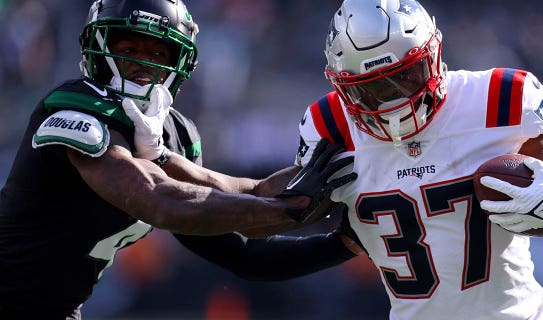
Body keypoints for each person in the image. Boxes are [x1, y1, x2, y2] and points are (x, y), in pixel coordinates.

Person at [0, 0, 361, 319]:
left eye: (158, 54)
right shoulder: (74, 105)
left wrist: (344, 237)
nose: (140, 63)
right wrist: (289, 209)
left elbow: (245, 250)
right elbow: (160, 200)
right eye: (127, 47)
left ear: (180, 61)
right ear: (98, 49)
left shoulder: (175, 134)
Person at [291, 0, 543, 319]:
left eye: (405, 75)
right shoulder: (330, 128)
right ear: (341, 84)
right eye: (372, 88)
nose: (394, 98)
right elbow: (268, 234)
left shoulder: (498, 100)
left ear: (433, 52)